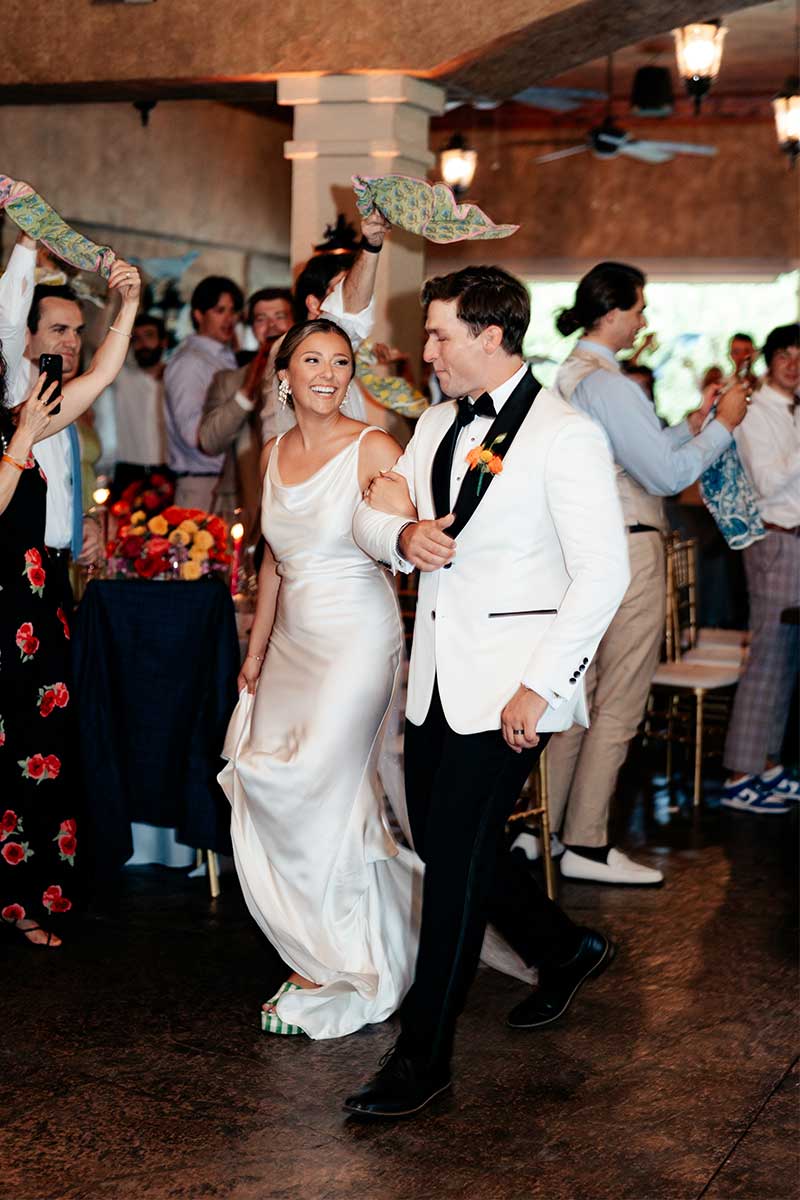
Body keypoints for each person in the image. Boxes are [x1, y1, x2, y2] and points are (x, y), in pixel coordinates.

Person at [346, 265, 630, 1118]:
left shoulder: (567, 435)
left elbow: (603, 574)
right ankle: (565, 946)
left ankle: (423, 1055)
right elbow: (374, 511)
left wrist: (540, 688)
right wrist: (403, 535)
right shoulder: (434, 421)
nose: (426, 352)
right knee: (449, 848)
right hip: (435, 679)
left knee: (459, 861)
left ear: (492, 336)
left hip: (515, 688)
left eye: (439, 335)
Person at [218, 318, 422, 1039]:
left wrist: (402, 512)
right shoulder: (270, 452)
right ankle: (316, 946)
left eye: (341, 360)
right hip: (294, 641)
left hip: (358, 637)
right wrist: (258, 649)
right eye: (313, 359)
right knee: (272, 781)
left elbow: (400, 532)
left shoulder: (375, 446)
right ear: (286, 373)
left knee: (314, 782)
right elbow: (273, 560)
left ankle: (346, 961)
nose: (329, 372)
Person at [545, 262, 748, 886]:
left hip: (584, 550)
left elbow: (633, 452)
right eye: (640, 307)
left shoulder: (569, 375)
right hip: (628, 546)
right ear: (614, 310)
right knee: (621, 698)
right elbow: (661, 475)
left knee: (581, 692)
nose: (644, 320)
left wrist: (690, 425)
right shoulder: (608, 381)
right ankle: (587, 841)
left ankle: (544, 830)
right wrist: (723, 429)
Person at [0, 261, 141, 947]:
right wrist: (26, 249)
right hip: (4, 596)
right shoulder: (11, 405)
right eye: (55, 330)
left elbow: (106, 371)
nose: (70, 343)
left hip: (44, 594)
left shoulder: (52, 406)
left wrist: (130, 304)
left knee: (43, 746)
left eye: (75, 332)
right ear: (19, 337)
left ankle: (31, 897)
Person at [721, 322, 800, 813]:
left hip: (793, 540)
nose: (795, 364)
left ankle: (767, 764)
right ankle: (738, 775)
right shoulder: (754, 413)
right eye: (786, 355)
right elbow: (769, 484)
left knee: (786, 661)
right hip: (774, 539)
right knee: (767, 657)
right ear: (770, 361)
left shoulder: (793, 412)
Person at [198, 288, 293, 529]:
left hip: (297, 506)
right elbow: (209, 441)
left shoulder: (313, 377)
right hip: (243, 508)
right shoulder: (228, 380)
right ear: (252, 328)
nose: (271, 326)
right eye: (261, 319)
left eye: (280, 316)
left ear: (295, 322)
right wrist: (247, 389)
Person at [164, 275, 243, 510]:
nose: (229, 319)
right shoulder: (190, 362)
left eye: (233, 310)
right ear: (198, 314)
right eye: (220, 310)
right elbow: (194, 435)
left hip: (223, 481)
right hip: (202, 484)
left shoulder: (221, 357)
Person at [97, 312, 170, 497]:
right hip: (128, 473)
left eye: (149, 336)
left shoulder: (176, 379)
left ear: (164, 341)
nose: (143, 344)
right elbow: (101, 347)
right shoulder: (123, 377)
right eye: (137, 338)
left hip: (167, 472)